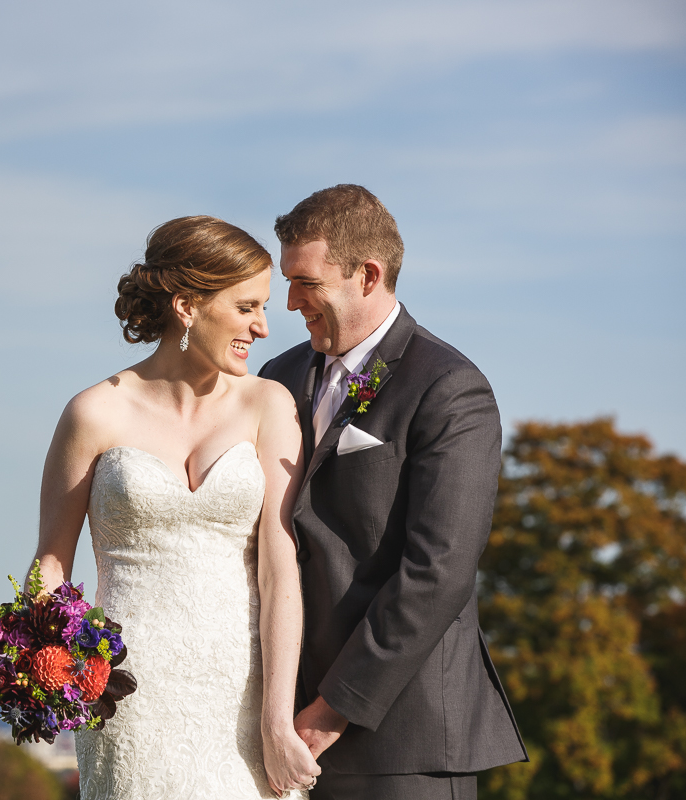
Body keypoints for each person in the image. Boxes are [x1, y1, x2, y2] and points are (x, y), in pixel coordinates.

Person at [32, 216, 321, 799]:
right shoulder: (93, 413)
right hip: (128, 697)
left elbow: (280, 567)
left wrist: (277, 717)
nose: (263, 327)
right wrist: (52, 664)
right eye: (246, 307)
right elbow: (51, 564)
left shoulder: (270, 404)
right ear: (188, 305)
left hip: (244, 690)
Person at [258, 185, 529, 800]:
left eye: (306, 282)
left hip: (404, 742)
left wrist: (329, 713)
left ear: (368, 275)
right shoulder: (277, 379)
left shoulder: (448, 388)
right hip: (278, 732)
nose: (291, 300)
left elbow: (438, 571)